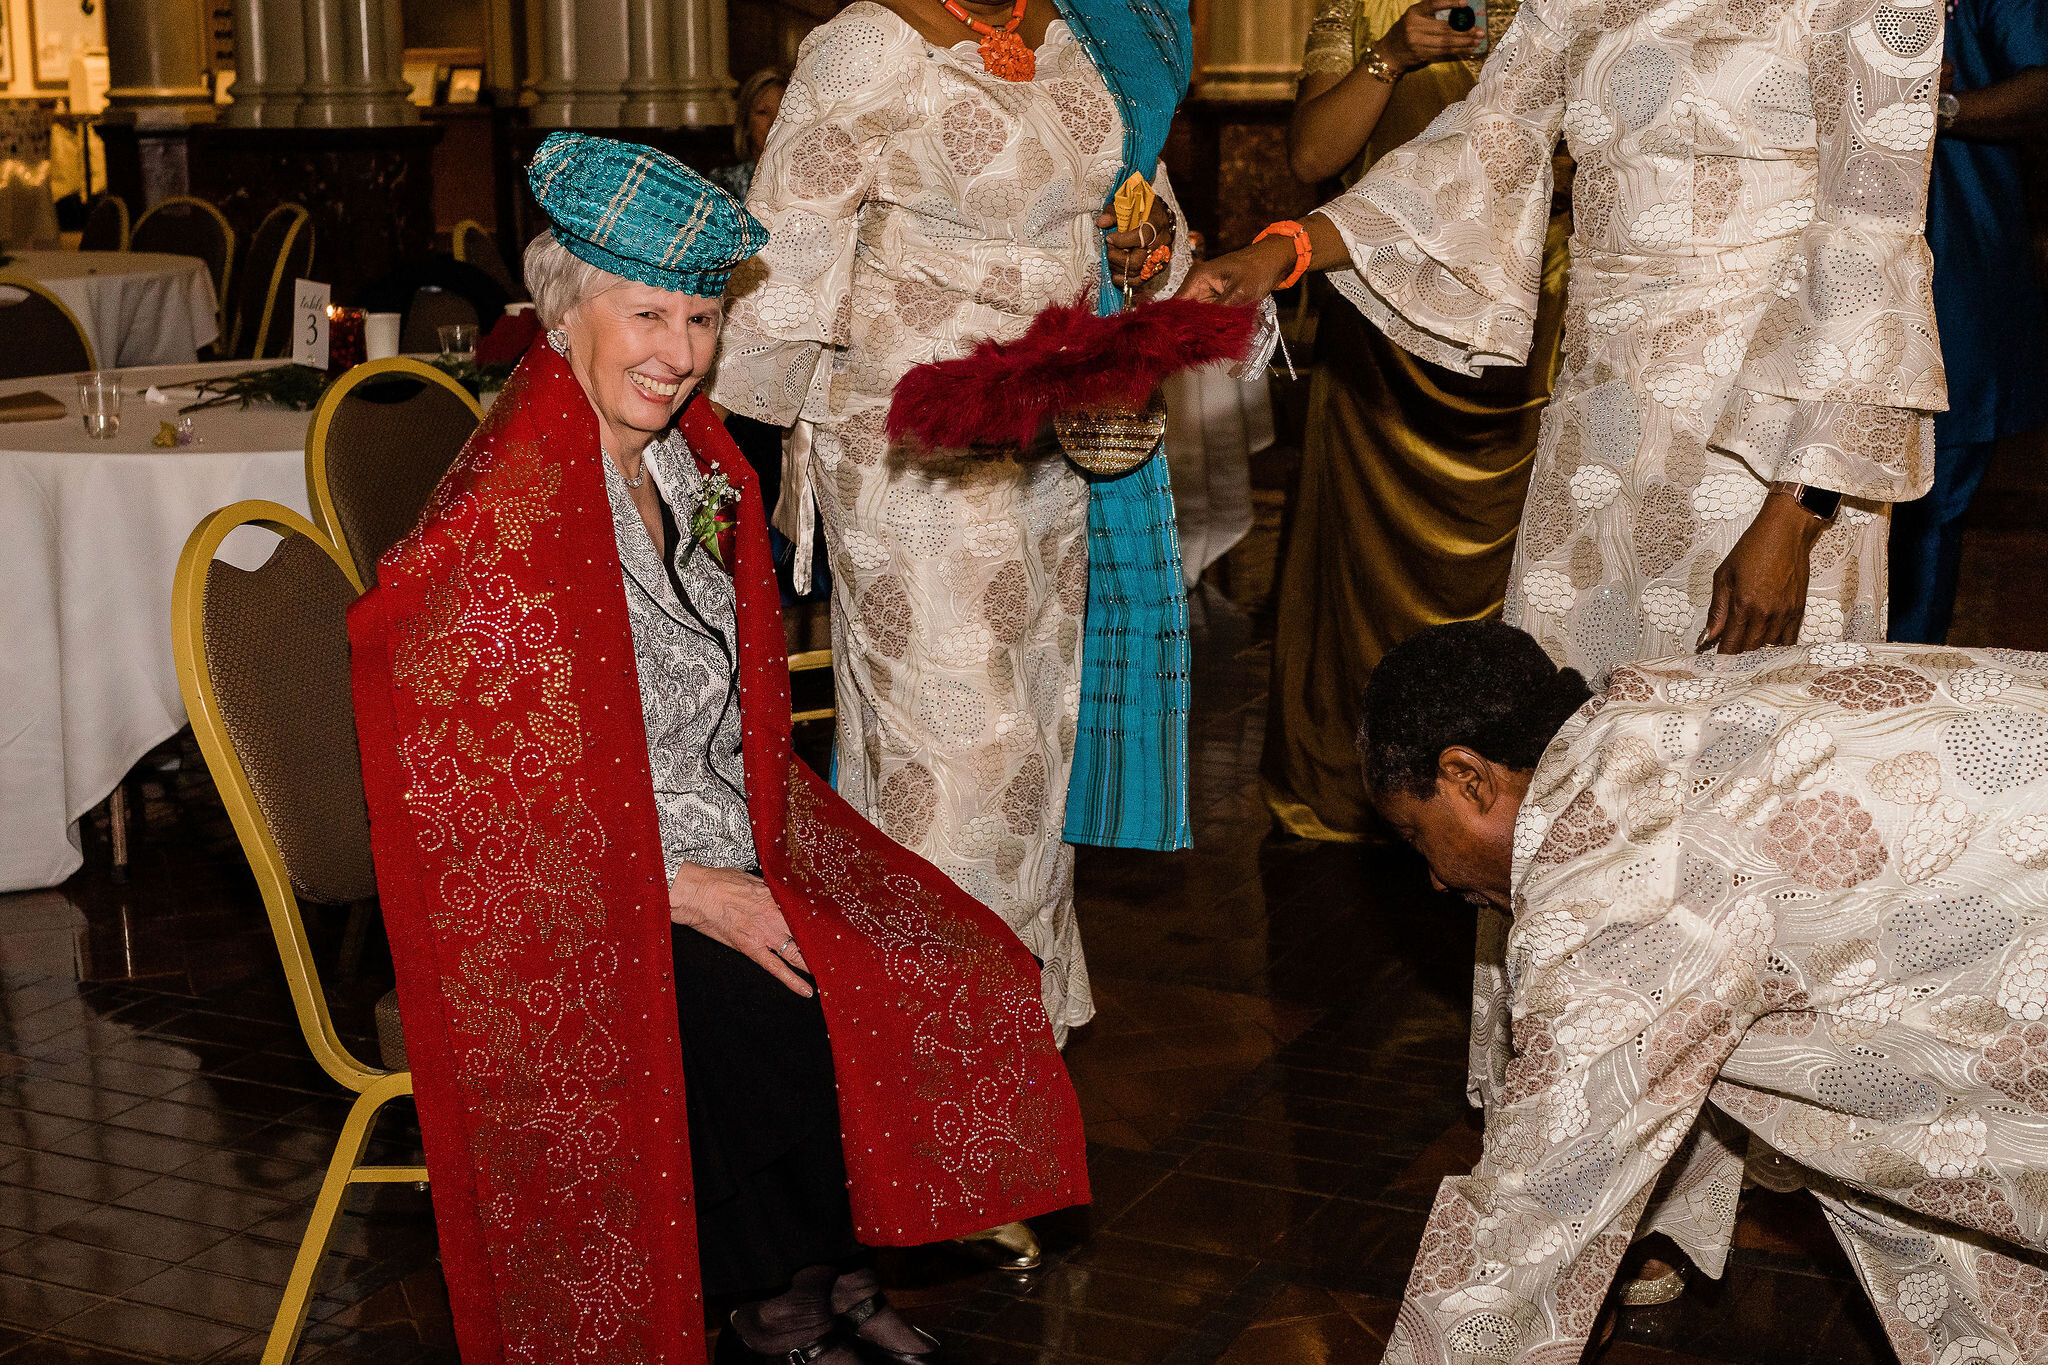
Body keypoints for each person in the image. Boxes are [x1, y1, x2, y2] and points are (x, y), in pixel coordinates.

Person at [349, 132, 1089, 1365]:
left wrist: (747, 871)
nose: (677, 355)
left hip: (721, 838)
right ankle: (793, 1293)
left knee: (951, 959)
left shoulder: (688, 465)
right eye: (645, 315)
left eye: (700, 320)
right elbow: (466, 806)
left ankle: (814, 1279)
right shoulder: (499, 527)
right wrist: (682, 892)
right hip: (576, 896)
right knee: (789, 1014)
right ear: (560, 312)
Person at [1181, 0, 1949, 683]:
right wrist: (1286, 250)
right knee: (1579, 724)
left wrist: (1796, 514)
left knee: (1748, 753)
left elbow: (1870, 247)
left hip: (1766, 441)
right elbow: (1482, 146)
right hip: (1600, 429)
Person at [1356, 620, 2048, 1365]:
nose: (1431, 877)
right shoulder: (1657, 709)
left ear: (1468, 777)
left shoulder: (1607, 887)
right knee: (1859, 1133)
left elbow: (1533, 1214)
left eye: (1415, 835)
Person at [712, 0, 1197, 1046]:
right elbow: (778, 264)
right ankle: (931, 1066)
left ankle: (1015, 1053)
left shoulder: (1081, 37)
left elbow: (1137, 200)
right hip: (914, 459)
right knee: (951, 765)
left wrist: (1152, 252)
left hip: (1050, 449)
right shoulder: (864, 44)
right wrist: (716, 457)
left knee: (1033, 748)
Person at [1264, 0, 1570, 841]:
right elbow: (1313, 155)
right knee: (1360, 569)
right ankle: (1359, 789)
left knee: (1528, 571)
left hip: (1532, 326)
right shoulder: (1362, 6)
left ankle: (1510, 800)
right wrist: (1390, 52)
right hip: (1386, 331)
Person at [1890, 0, 2048, 644]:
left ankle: (1892, 697)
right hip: (1796, 269)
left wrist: (1937, 111)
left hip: (1951, 273)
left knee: (1929, 502)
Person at [709, 68, 789, 206]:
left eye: (782, 112)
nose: (774, 122)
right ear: (746, 122)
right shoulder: (724, 183)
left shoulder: (811, 181)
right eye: (763, 112)